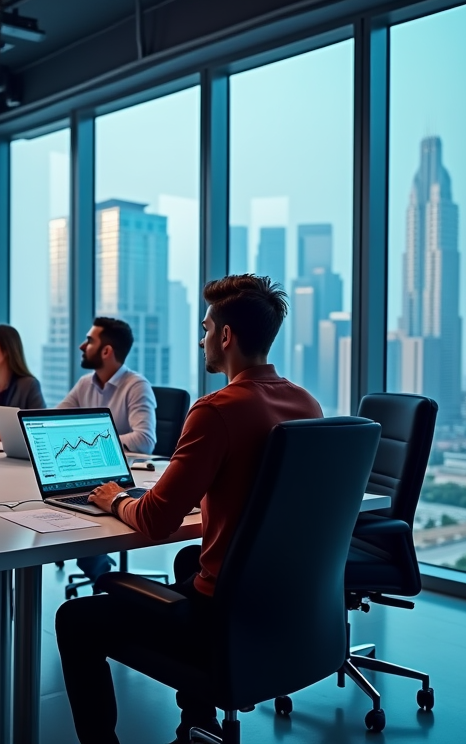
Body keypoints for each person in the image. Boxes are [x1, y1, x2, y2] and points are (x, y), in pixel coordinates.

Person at [55, 275, 322, 744]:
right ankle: (197, 726)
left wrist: (115, 498)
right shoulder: (307, 404)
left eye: (205, 329)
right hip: (288, 607)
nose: (201, 340)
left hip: (225, 612)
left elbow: (158, 520)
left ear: (225, 336)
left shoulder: (217, 409)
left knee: (75, 619)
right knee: (188, 559)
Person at [58, 317, 157, 582]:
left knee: (85, 513)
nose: (82, 345)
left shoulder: (136, 386)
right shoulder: (85, 384)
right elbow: (56, 421)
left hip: (124, 480)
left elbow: (145, 440)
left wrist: (99, 441)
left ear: (106, 351)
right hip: (89, 473)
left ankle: (103, 574)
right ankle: (99, 566)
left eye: (89, 340)